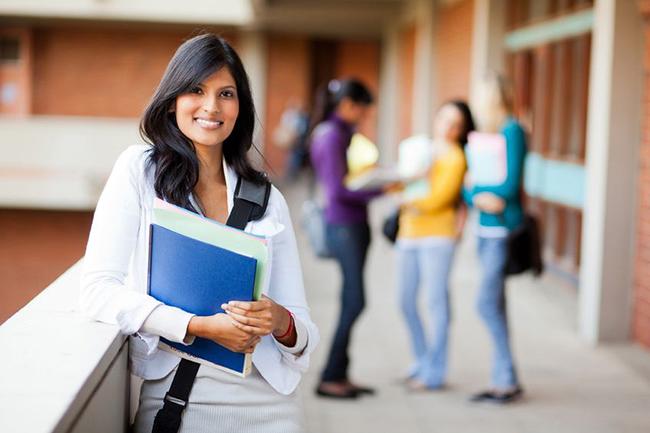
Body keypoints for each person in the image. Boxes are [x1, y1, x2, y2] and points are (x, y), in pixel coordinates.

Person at [79, 34, 319, 432]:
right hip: (179, 403)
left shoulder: (267, 198)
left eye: (226, 93)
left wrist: (279, 320)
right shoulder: (141, 172)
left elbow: (303, 332)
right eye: (196, 90)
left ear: (240, 107)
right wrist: (197, 326)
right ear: (173, 98)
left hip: (272, 408)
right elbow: (98, 290)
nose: (211, 106)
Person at [309, 78, 382, 399]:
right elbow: (338, 190)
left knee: (351, 300)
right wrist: (382, 188)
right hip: (343, 227)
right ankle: (329, 376)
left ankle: (340, 373)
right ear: (349, 105)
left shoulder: (343, 134)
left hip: (353, 226)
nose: (364, 116)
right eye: (363, 110)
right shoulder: (330, 136)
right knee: (355, 301)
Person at [396, 100, 474, 391]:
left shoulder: (456, 157)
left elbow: (439, 198)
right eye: (444, 119)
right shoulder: (421, 149)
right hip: (409, 233)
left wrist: (409, 200)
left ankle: (434, 372)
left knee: (436, 303)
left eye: (456, 124)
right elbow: (403, 182)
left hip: (438, 236)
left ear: (462, 130)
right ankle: (421, 358)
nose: (448, 127)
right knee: (404, 301)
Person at [463, 74, 526, 404]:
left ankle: (505, 378)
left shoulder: (512, 131)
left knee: (485, 304)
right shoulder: (481, 136)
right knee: (496, 305)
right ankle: (506, 379)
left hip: (502, 229)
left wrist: (482, 192)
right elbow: (468, 186)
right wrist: (477, 195)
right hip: (483, 230)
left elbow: (509, 185)